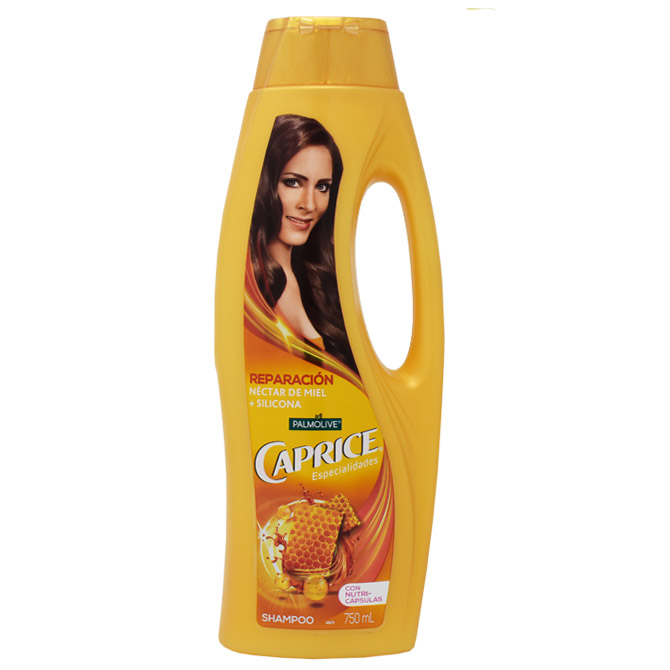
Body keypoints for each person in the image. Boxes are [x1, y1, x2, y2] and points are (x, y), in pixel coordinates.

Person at [249, 114, 357, 373]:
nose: (309, 204)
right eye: (293, 182)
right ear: (266, 183)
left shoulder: (313, 280)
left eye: (322, 187)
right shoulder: (257, 285)